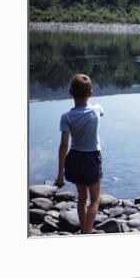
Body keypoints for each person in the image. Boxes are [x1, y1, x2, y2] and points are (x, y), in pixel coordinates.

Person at [55, 74, 104, 234]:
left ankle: (84, 229)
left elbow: (63, 146)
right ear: (91, 92)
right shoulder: (97, 109)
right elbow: (99, 111)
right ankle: (86, 234)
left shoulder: (66, 117)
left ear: (70, 92)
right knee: (95, 199)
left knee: (82, 197)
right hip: (91, 158)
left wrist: (60, 173)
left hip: (74, 158)